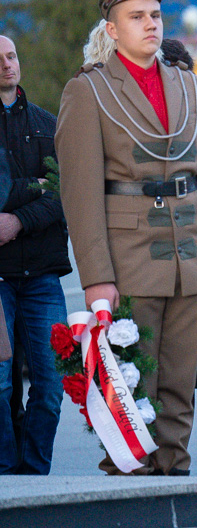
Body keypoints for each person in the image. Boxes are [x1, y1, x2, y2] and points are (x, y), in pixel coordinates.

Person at [55, 0, 197, 475]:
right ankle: (132, 494)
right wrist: (96, 279)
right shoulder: (87, 91)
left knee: (180, 387)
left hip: (193, 253)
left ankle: (175, 480)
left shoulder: (190, 84)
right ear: (111, 30)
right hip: (129, 257)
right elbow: (81, 196)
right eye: (136, 17)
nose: (150, 25)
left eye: (155, 16)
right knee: (132, 390)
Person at [0, 34, 70, 475]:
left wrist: (17, 218)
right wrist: (35, 191)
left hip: (42, 275)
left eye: (11, 56)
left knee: (53, 382)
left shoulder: (48, 124)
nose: (7, 65)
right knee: (1, 383)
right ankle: (6, 475)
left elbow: (65, 191)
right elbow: (43, 189)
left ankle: (35, 472)